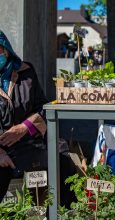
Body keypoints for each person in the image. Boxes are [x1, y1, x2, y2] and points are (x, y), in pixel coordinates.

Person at [0, 30, 48, 201]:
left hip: (29, 140)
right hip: (2, 149)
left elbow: (42, 107)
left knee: (58, 160)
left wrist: (24, 127)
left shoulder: (26, 71)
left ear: (6, 50)